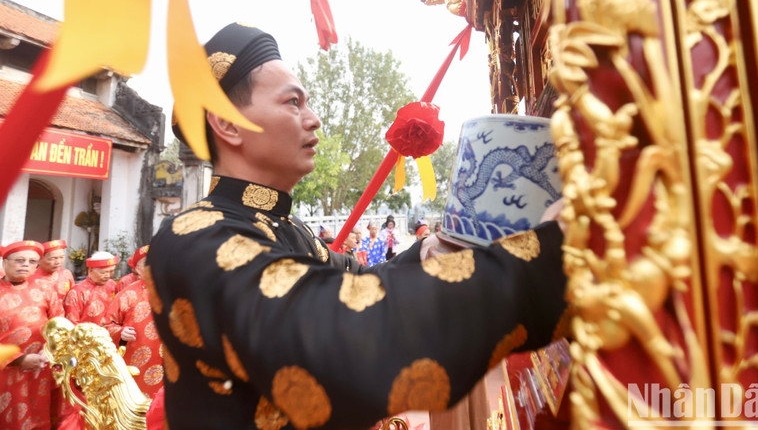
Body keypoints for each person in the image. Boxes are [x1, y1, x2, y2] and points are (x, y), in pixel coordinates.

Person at [147, 23, 567, 429]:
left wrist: (429, 250)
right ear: (227, 124)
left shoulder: (284, 227)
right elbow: (336, 331)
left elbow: (362, 282)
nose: (313, 119)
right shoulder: (194, 237)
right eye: (293, 102)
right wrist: (546, 259)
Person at [0, 240, 65, 430]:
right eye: (19, 260)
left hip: (43, 367)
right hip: (7, 371)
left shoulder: (45, 288)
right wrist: (19, 360)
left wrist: (50, 349)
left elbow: (59, 324)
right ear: (5, 262)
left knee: (43, 417)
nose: (26, 265)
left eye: (32, 261)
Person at [103, 248, 163, 399]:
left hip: (167, 361)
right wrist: (120, 332)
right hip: (136, 363)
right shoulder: (127, 294)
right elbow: (106, 326)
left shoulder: (174, 291)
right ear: (137, 269)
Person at [64, 251, 118, 325]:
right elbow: (72, 322)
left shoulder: (112, 285)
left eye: (111, 272)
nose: (108, 276)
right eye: (103, 273)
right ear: (90, 271)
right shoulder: (77, 291)